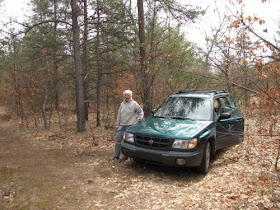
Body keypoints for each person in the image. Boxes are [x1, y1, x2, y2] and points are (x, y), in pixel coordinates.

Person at [110, 90, 144, 161]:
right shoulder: (122, 104)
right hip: (121, 125)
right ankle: (116, 155)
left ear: (131, 96)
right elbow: (119, 115)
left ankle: (125, 156)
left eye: (128, 95)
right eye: (125, 95)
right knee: (118, 140)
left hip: (130, 126)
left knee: (127, 142)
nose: (126, 96)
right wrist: (117, 124)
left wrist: (137, 121)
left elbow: (141, 113)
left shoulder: (134, 104)